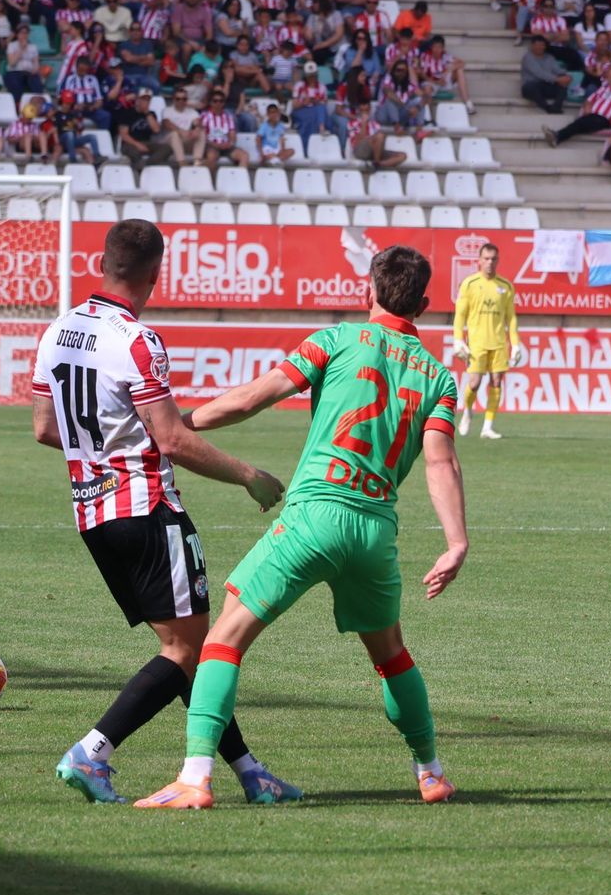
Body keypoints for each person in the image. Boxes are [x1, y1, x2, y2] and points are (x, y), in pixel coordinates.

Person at [134, 245, 467, 810]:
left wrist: (180, 427)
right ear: (425, 305)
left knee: (223, 640)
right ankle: (430, 771)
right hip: (374, 531)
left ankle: (194, 779)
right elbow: (441, 462)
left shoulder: (336, 340)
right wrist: (456, 541)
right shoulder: (439, 378)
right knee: (392, 656)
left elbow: (250, 400)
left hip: (314, 515)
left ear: (368, 291)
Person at [30, 219, 296, 805]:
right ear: (156, 273)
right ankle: (92, 752)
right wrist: (248, 475)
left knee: (190, 651)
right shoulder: (137, 339)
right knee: (186, 651)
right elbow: (172, 440)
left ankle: (251, 772)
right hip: (146, 508)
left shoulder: (57, 331)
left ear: (103, 264)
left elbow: (46, 429)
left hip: (92, 513)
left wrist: (105, 444)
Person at [452, 242, 521, 441]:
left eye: (493, 259)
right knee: (474, 383)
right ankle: (467, 411)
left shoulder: (505, 286)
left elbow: (511, 318)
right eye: (486, 259)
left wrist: (515, 344)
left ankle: (487, 427)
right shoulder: (470, 284)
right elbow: (460, 315)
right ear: (479, 261)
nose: (489, 262)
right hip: (477, 343)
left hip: (499, 343)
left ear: (497, 260)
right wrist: (458, 340)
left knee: (497, 382)